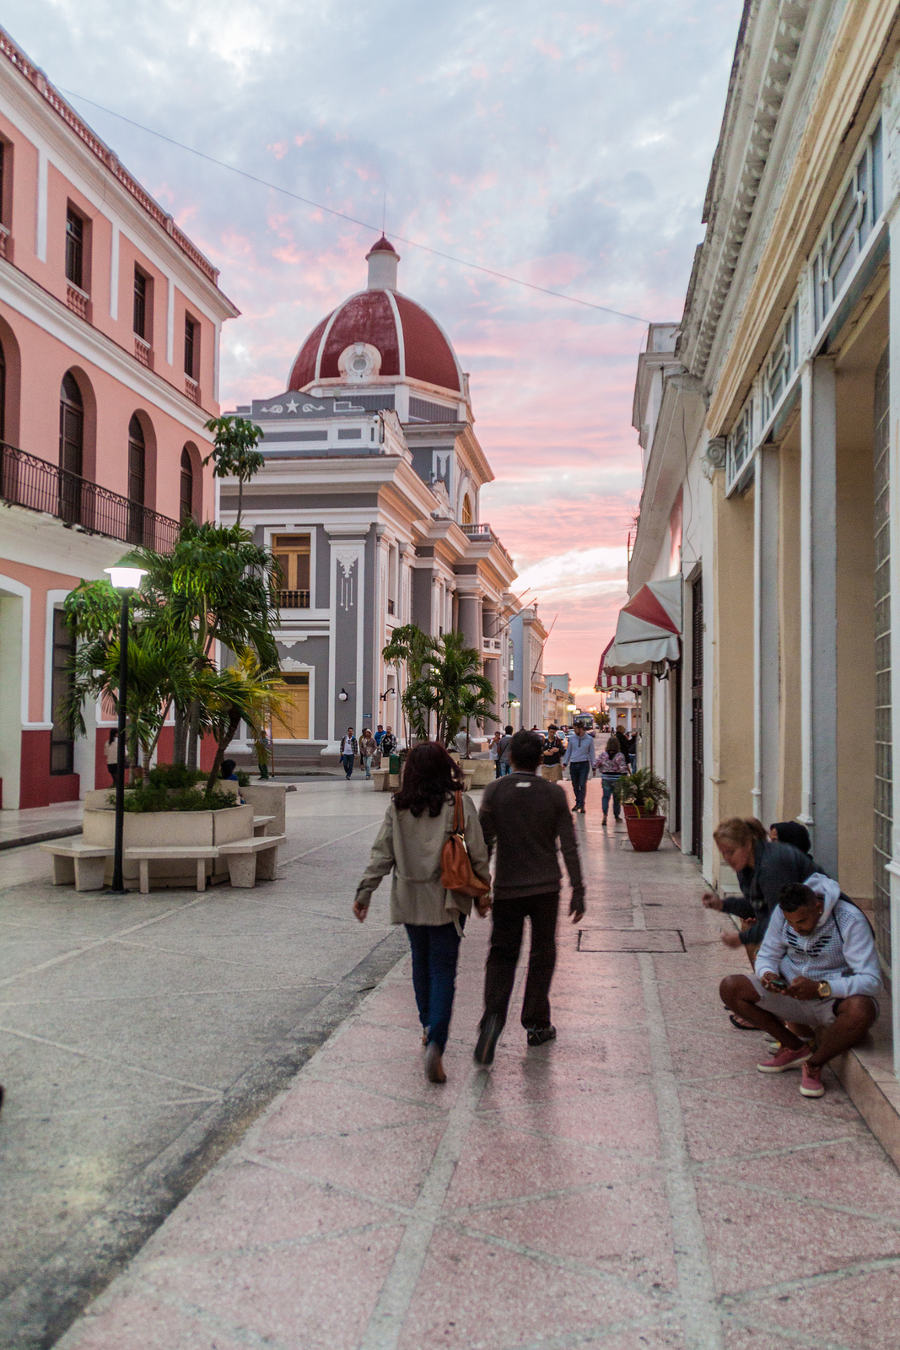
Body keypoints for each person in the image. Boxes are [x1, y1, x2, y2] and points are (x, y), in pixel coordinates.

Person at [353, 742, 491, 1084]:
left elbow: (381, 854)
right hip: (447, 900)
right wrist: (483, 892)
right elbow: (478, 854)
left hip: (409, 898)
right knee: (444, 971)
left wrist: (365, 891)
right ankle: (437, 1043)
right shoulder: (459, 804)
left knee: (420, 962)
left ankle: (428, 1027)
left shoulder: (398, 807)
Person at [474, 730, 586, 1064]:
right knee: (542, 953)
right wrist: (578, 889)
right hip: (545, 889)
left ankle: (493, 1020)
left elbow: (483, 845)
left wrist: (480, 887)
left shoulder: (496, 791)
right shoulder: (553, 795)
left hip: (508, 889)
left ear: (509, 757)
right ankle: (537, 1023)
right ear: (541, 759)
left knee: (501, 956)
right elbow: (568, 844)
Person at [719, 877, 882, 1098]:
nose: (797, 928)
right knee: (731, 987)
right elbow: (768, 954)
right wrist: (768, 974)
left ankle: (814, 1064)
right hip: (791, 992)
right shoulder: (783, 913)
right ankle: (794, 1047)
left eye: (803, 921)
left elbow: (871, 980)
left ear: (818, 906)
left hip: (831, 999)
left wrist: (823, 988)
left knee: (862, 1010)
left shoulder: (849, 919)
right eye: (792, 923)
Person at [562, 720, 595, 813]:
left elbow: (592, 753)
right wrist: (565, 762)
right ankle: (578, 803)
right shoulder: (572, 739)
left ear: (580, 729)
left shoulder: (589, 739)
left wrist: (594, 766)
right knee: (575, 785)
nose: (574, 730)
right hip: (573, 764)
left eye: (575, 728)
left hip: (584, 764)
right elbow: (568, 751)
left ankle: (582, 804)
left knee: (582, 784)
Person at [597, 733, 628, 825]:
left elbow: (596, 763)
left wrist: (601, 767)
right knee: (616, 798)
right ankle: (616, 816)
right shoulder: (620, 755)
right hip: (617, 779)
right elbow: (623, 768)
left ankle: (605, 815)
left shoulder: (603, 755)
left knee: (605, 797)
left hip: (606, 778)